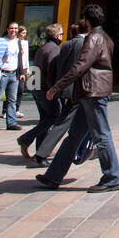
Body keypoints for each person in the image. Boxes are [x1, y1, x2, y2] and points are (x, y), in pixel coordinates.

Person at [36, 4, 119, 192]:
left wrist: (57, 87)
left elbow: (80, 66)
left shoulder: (94, 38)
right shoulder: (106, 38)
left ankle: (112, 177)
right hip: (90, 92)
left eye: (83, 19)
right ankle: (53, 175)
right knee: (74, 136)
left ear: (88, 21)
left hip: (93, 92)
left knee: (101, 134)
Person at [31, 22, 92, 166]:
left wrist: (57, 87)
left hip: (65, 89)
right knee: (66, 123)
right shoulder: (85, 44)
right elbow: (79, 68)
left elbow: (58, 68)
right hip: (78, 90)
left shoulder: (66, 45)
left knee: (64, 122)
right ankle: (79, 152)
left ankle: (42, 151)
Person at [19, 23, 63, 160]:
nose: (62, 37)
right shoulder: (54, 50)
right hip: (46, 89)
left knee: (45, 118)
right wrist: (54, 89)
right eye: (61, 34)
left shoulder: (42, 48)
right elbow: (52, 71)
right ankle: (27, 138)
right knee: (55, 116)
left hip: (37, 86)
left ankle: (42, 149)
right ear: (57, 36)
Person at [0, 24, 23, 131]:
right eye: (11, 28)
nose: (13, 30)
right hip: (4, 72)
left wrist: (20, 72)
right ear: (7, 29)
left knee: (12, 99)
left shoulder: (18, 42)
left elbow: (19, 57)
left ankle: (11, 123)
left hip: (14, 73)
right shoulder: (2, 41)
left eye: (15, 28)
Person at [10, 22, 29, 120]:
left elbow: (26, 57)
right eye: (23, 33)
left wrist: (27, 68)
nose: (24, 35)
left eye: (25, 33)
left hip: (24, 68)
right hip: (15, 68)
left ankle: (16, 109)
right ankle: (7, 110)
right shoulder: (15, 42)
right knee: (11, 91)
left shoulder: (25, 43)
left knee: (20, 89)